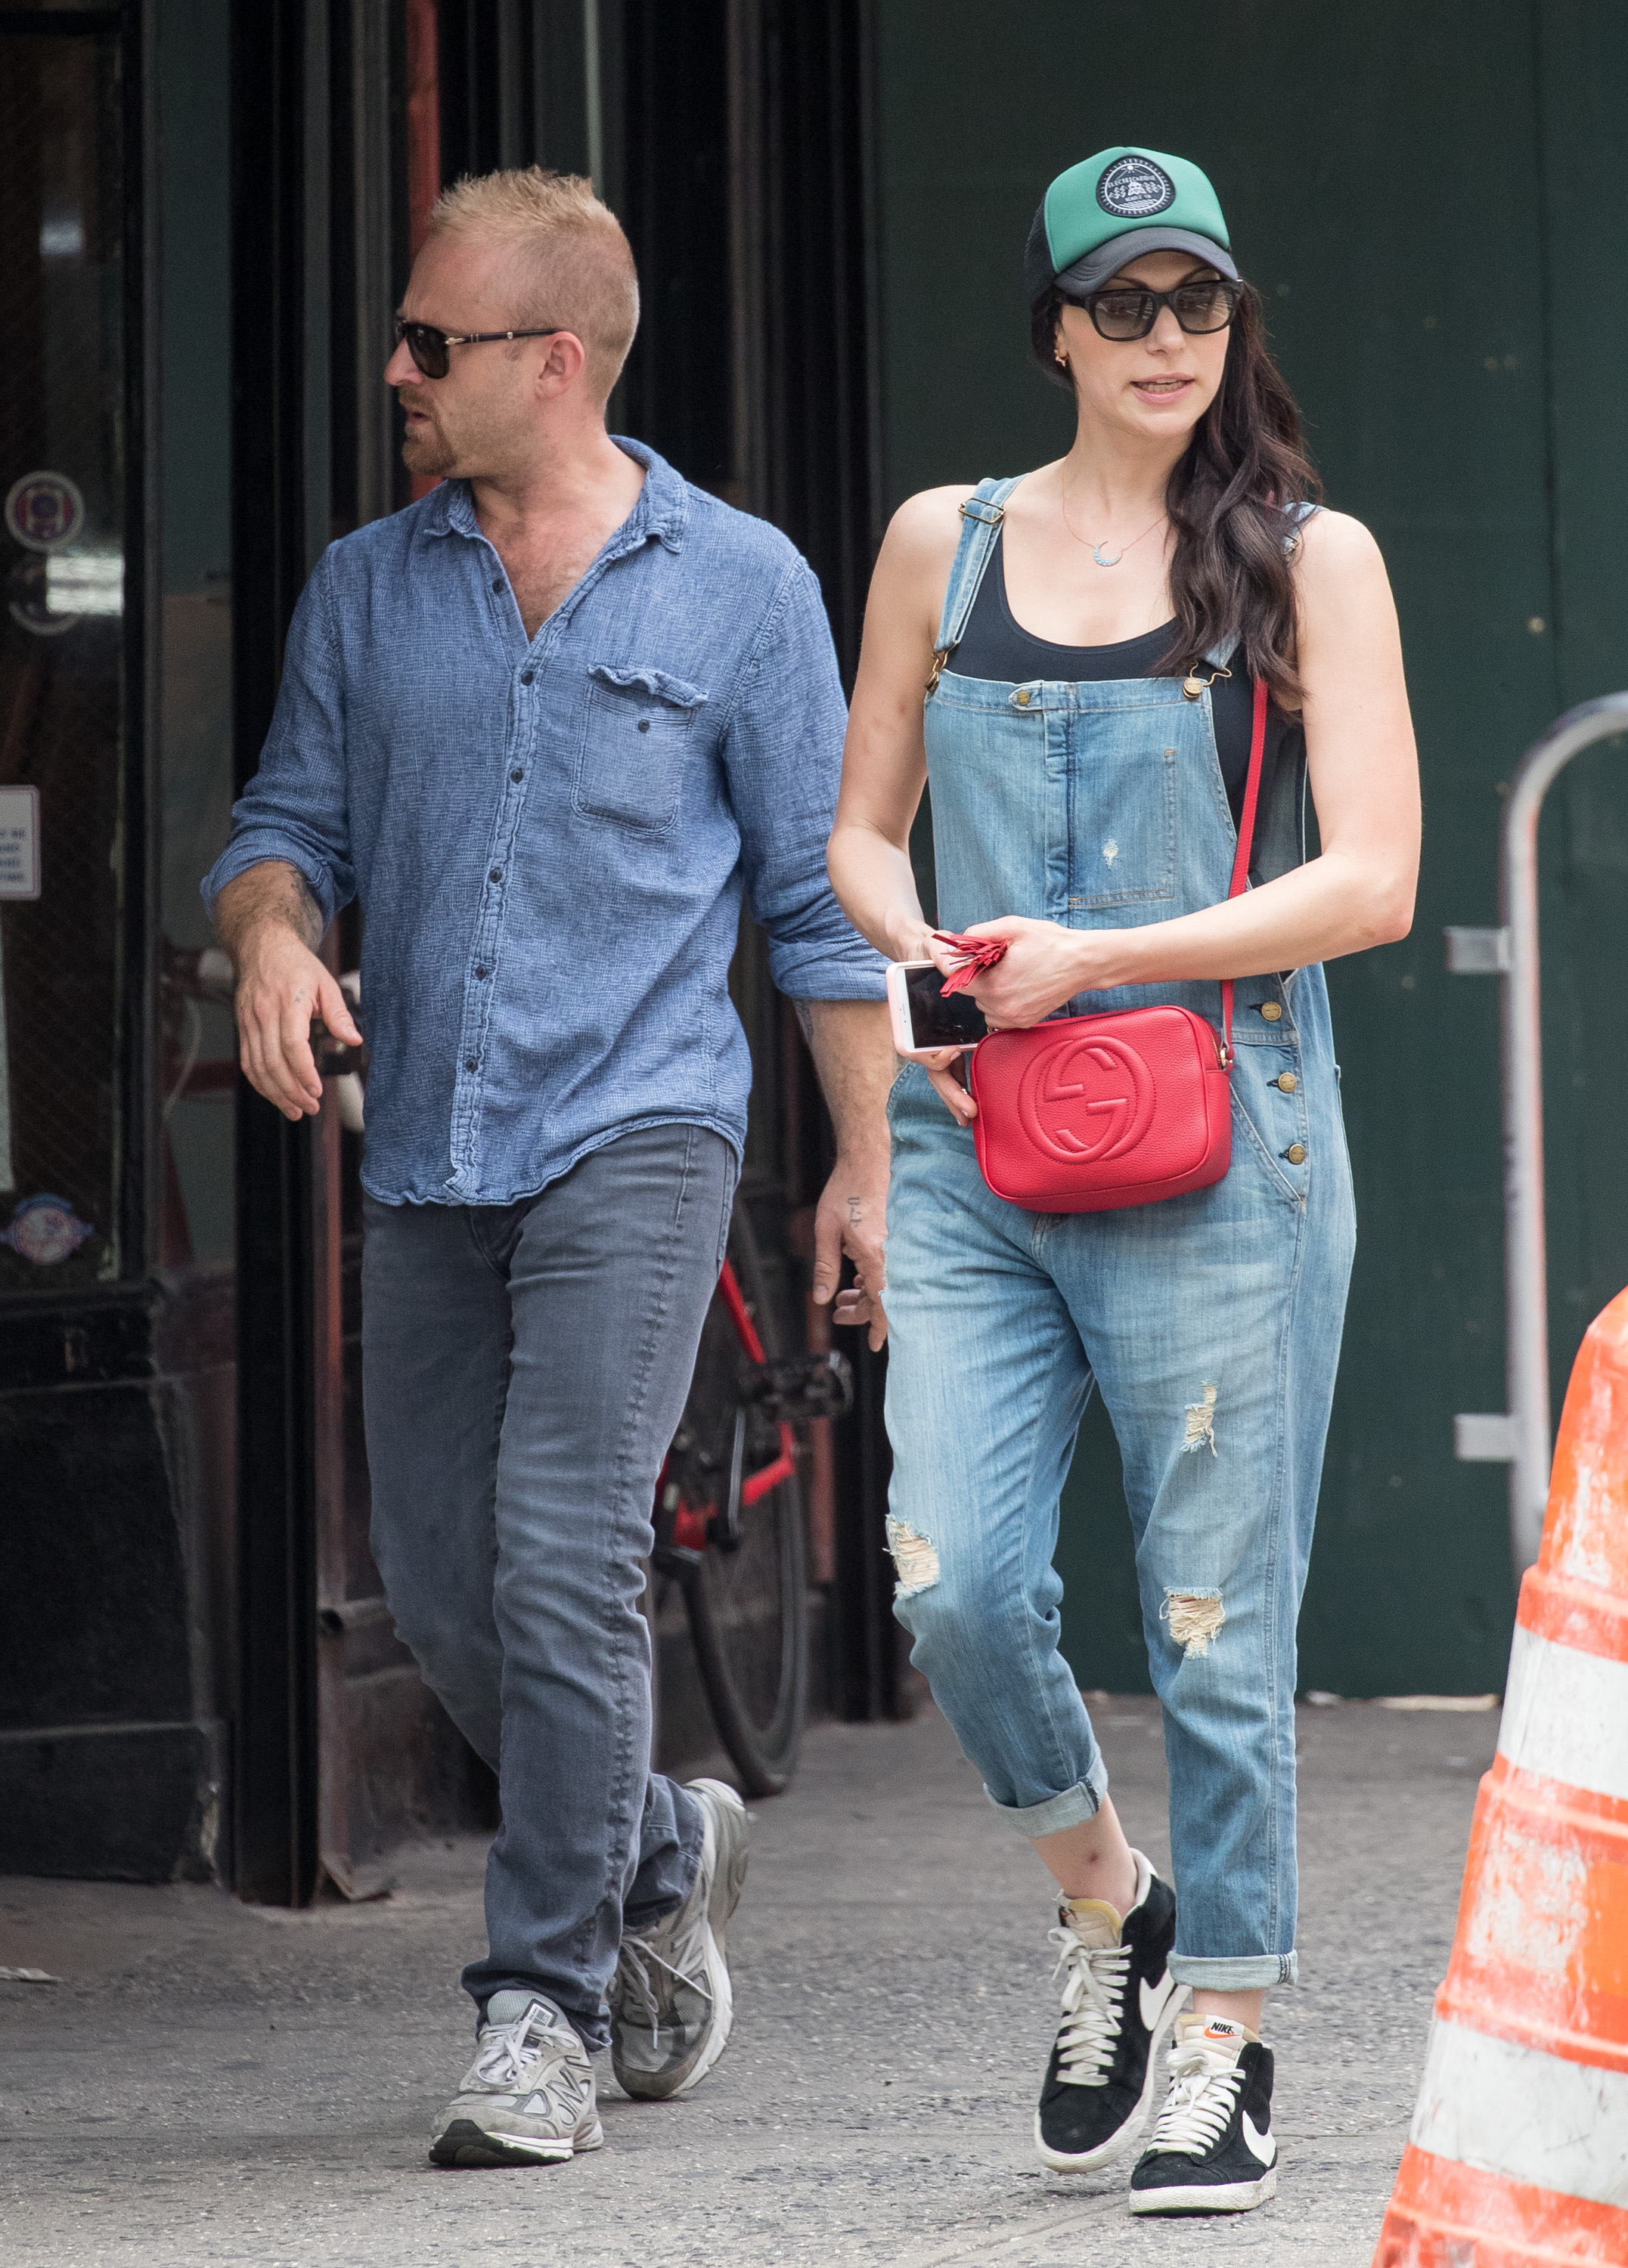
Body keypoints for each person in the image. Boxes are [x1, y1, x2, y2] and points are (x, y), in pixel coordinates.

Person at [205, 167, 895, 2169]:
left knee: (568, 1551)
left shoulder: (742, 585)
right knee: (441, 1582)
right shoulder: (365, 585)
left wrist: (865, 1166)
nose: (396, 369)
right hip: (427, 1139)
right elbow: (282, 827)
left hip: (642, 1125)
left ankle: (542, 2007)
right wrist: (266, 932)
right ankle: (662, 1840)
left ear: (556, 360)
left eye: (434, 343)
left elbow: (815, 903)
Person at [827, 146, 1419, 2216]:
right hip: (979, 1136)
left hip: (1221, 1130)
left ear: (1232, 324)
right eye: (1125, 304)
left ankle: (1230, 2032)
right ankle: (1109, 1901)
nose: (1168, 340)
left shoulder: (1302, 556)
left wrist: (1103, 958)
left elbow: (1372, 882)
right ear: (1055, 331)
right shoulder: (941, 542)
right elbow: (857, 830)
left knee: (1211, 1619)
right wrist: (919, 946)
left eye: (1199, 304)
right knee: (951, 1583)